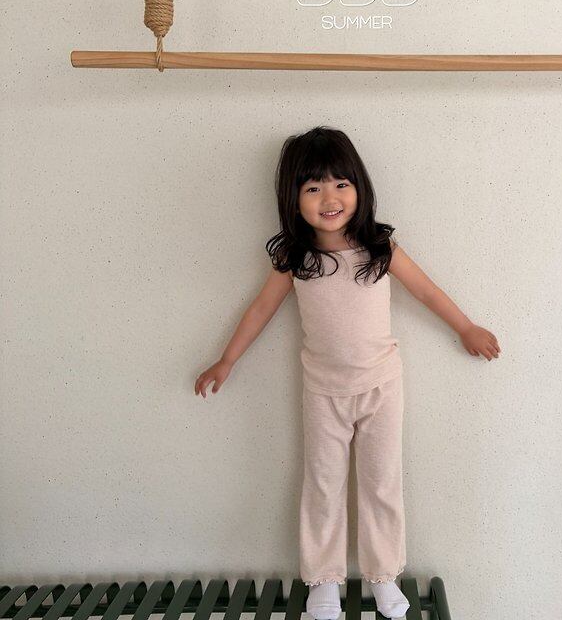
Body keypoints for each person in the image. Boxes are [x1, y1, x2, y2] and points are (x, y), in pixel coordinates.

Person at [195, 126, 501, 619]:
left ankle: (383, 575)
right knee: (323, 486)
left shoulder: (380, 247)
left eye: (340, 184)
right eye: (313, 188)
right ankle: (323, 580)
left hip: (381, 387)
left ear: (359, 187)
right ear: (294, 198)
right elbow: (260, 310)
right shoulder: (295, 258)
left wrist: (465, 326)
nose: (329, 198)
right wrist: (227, 358)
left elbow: (425, 291)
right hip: (323, 393)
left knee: (381, 484)